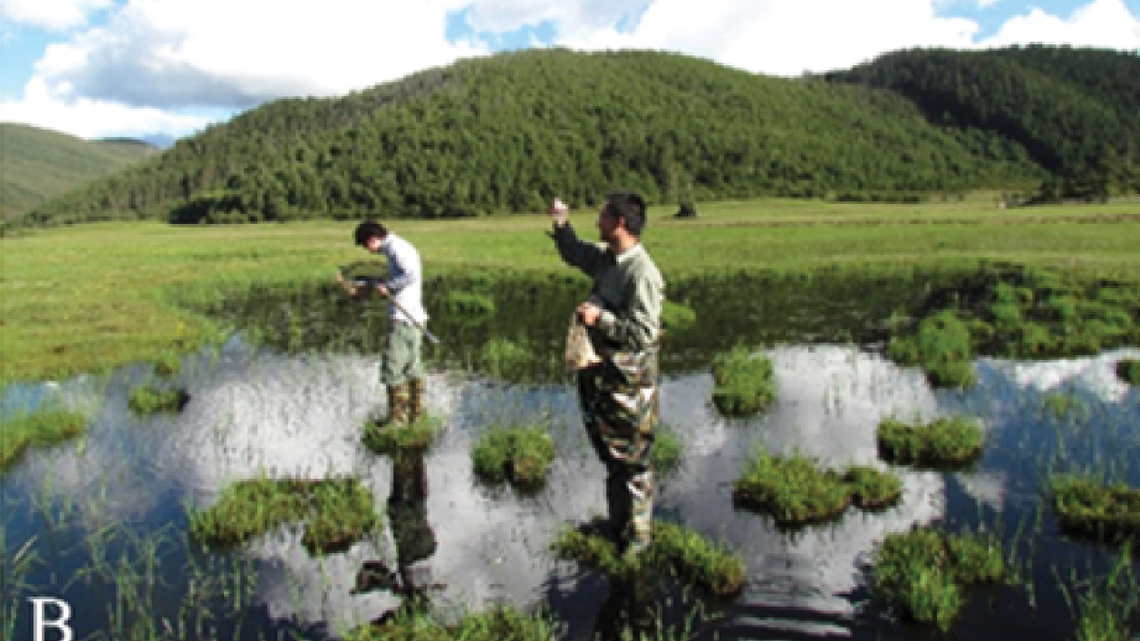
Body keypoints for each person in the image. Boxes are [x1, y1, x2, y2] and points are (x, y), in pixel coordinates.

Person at [548, 191, 664, 558]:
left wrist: (601, 319)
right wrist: (560, 223)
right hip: (608, 376)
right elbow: (574, 252)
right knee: (613, 455)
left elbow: (644, 334)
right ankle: (619, 525)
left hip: (632, 383)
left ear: (619, 223)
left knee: (634, 459)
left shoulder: (642, 273)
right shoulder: (607, 258)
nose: (596, 221)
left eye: (601, 216)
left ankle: (639, 541)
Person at [338, 221, 429, 428]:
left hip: (403, 319)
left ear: (372, 239)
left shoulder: (396, 249)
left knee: (393, 369)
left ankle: (397, 421)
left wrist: (387, 286)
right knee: (412, 368)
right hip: (415, 318)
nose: (368, 251)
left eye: (365, 245)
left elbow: (410, 275)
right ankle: (415, 416)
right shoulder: (398, 247)